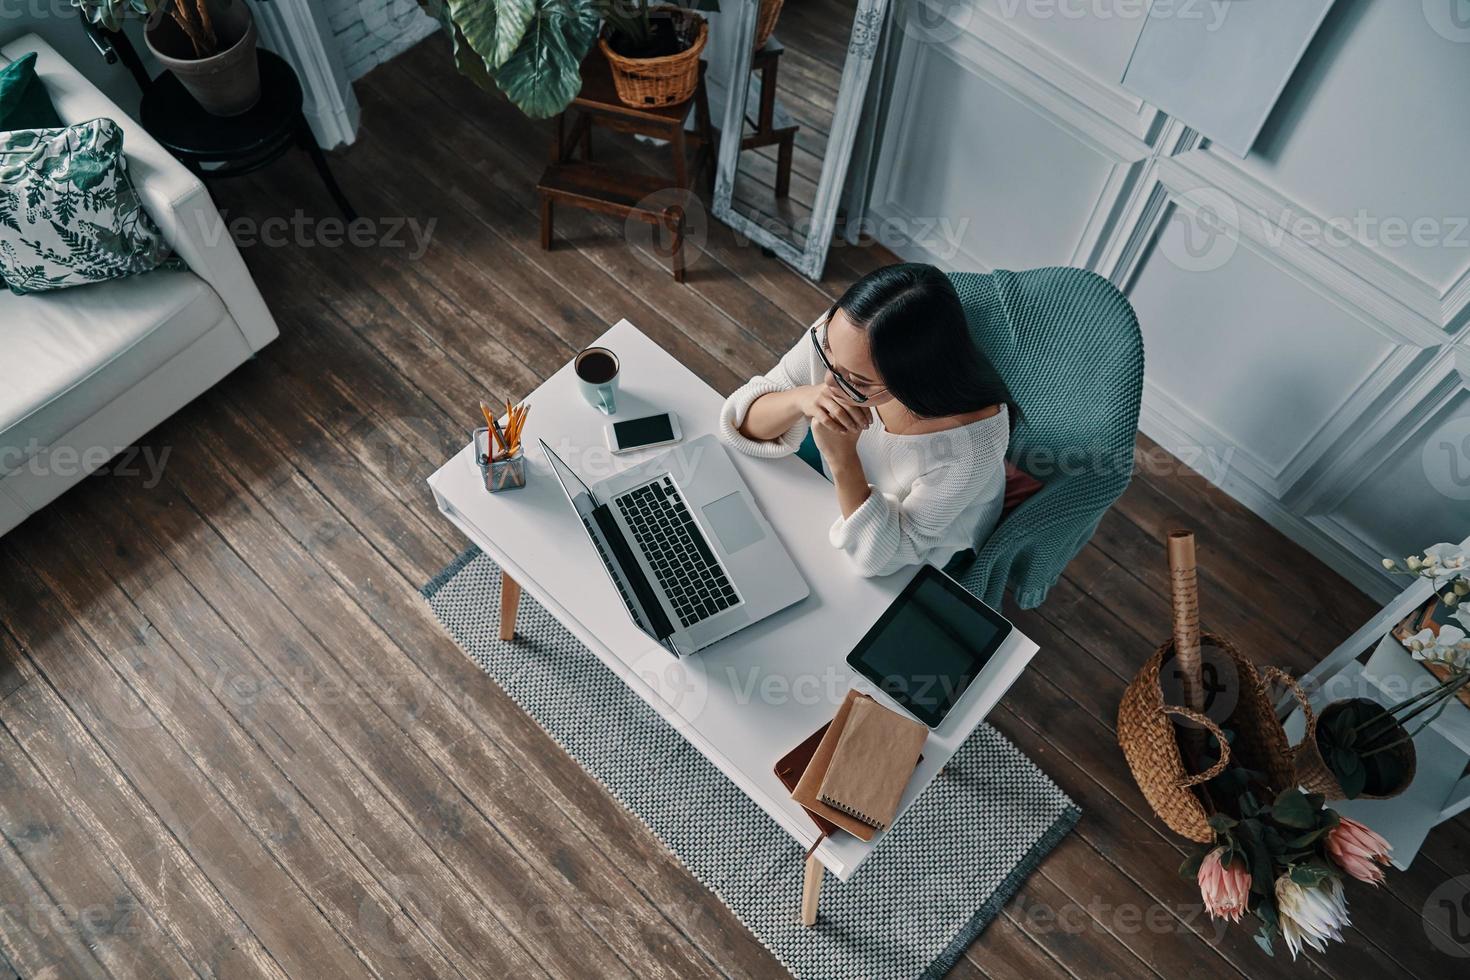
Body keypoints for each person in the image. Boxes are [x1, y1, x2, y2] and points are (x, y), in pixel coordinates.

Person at [719, 263, 1013, 578]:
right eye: (827, 351)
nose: (830, 381)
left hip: (918, 549)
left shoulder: (972, 445)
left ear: (913, 382)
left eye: (858, 382)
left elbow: (885, 557)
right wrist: (800, 396)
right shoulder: (848, 336)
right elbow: (740, 425)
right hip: (836, 494)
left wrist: (842, 459)